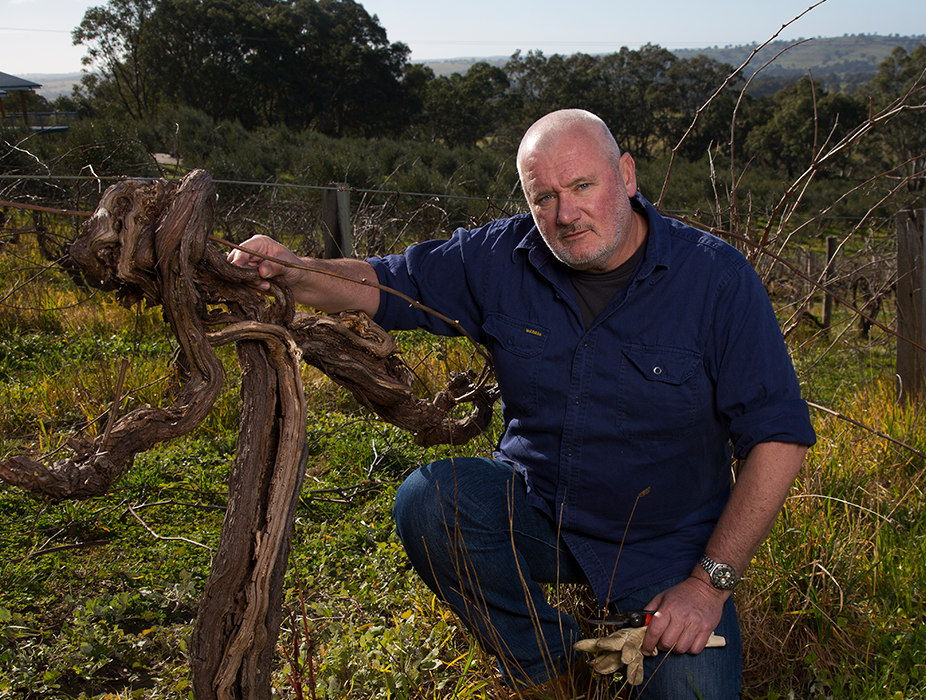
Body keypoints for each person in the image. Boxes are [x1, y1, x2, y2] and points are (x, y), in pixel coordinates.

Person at [229, 109, 815, 699]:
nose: (564, 215)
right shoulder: (499, 257)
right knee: (433, 501)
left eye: (583, 186)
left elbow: (778, 439)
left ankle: (623, 650)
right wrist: (294, 271)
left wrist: (707, 587)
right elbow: (385, 282)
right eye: (544, 198)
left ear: (628, 176)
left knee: (693, 693)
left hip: (668, 546)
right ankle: (560, 669)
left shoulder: (715, 280)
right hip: (542, 514)